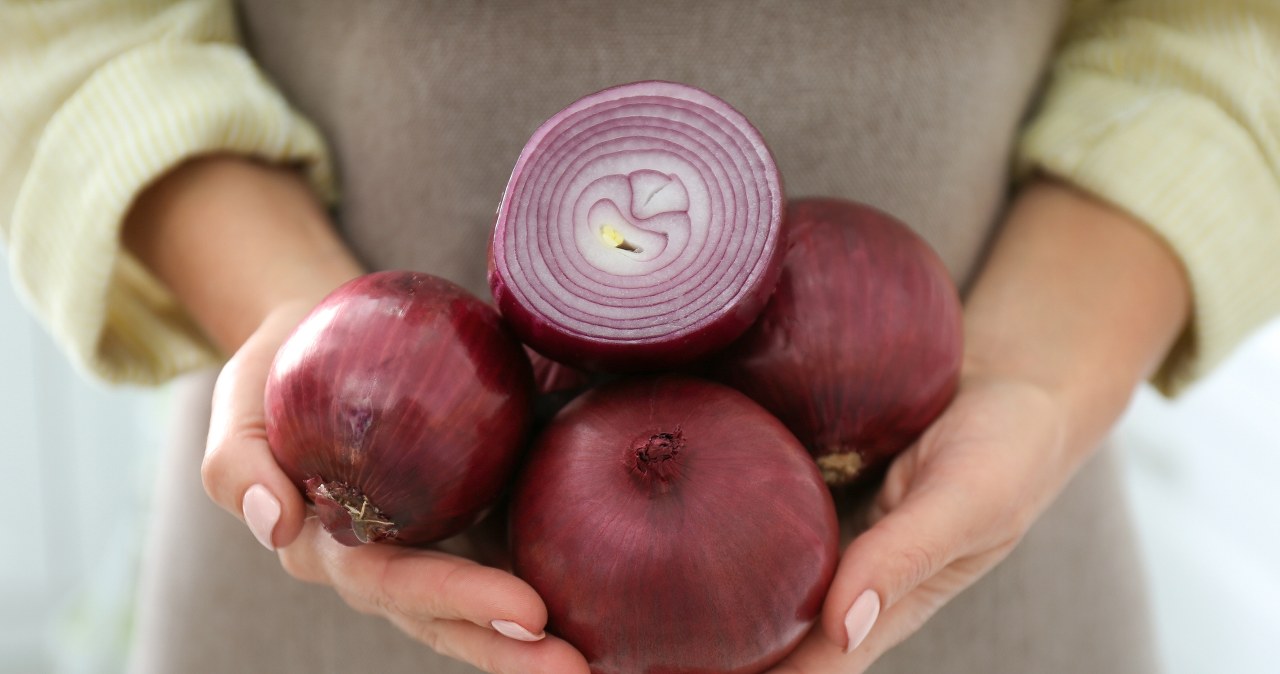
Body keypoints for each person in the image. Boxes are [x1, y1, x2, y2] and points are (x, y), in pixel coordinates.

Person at [2, 1, 1277, 672]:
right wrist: (291, 319)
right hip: (329, 560)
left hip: (971, 554)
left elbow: (1225, 30)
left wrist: (1043, 375)